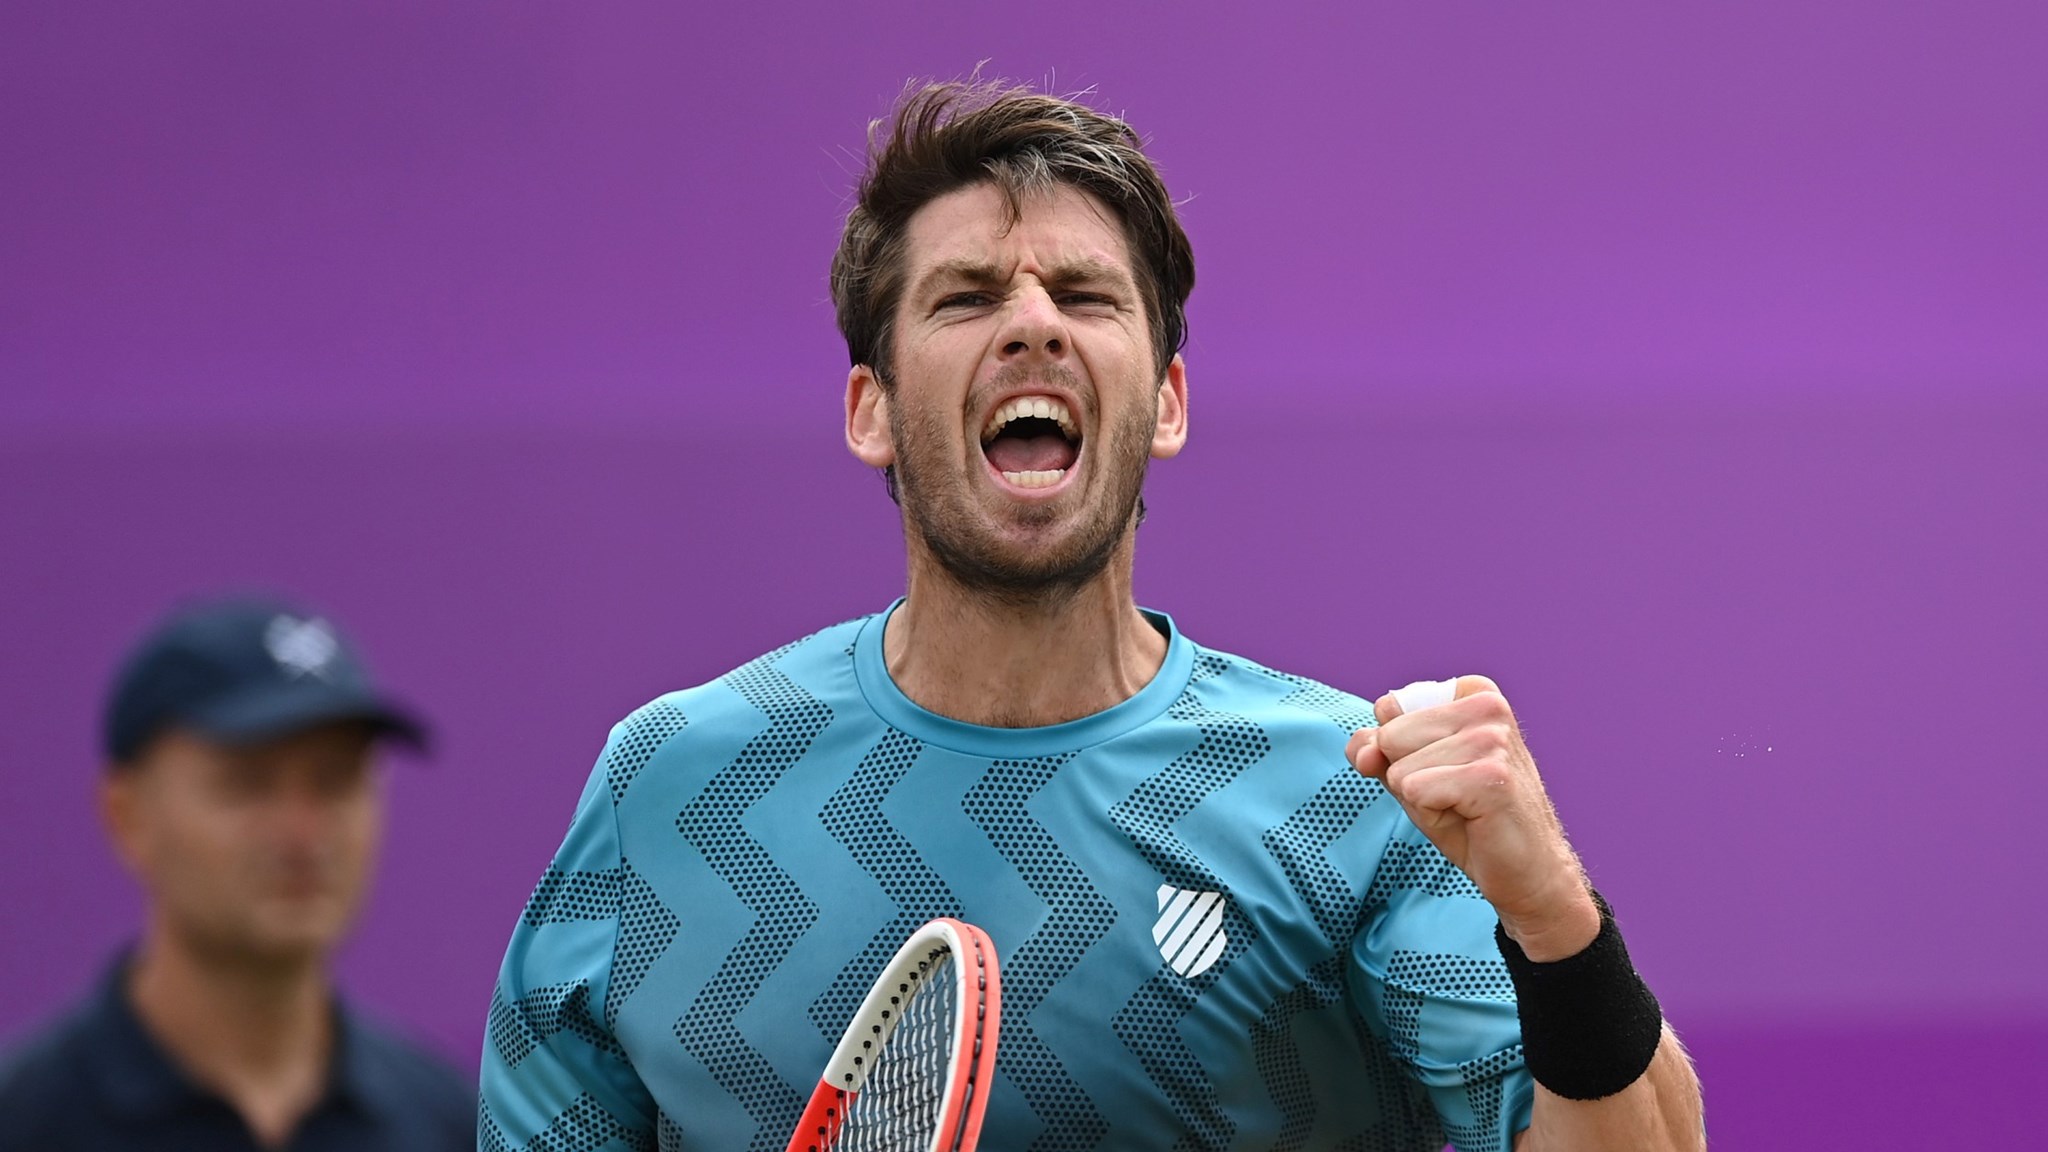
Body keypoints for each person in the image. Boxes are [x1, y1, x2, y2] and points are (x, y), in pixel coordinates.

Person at [479, 82, 1706, 1151]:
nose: (1032, 322)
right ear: (871, 410)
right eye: (965, 298)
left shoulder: (1347, 791)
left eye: (1084, 294)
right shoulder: (668, 787)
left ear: (1163, 402)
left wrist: (1548, 912)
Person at [0, 597, 476, 1152]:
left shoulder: (450, 1127)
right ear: (127, 817)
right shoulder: (26, 1124)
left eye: (336, 782)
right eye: (247, 784)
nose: (303, 836)